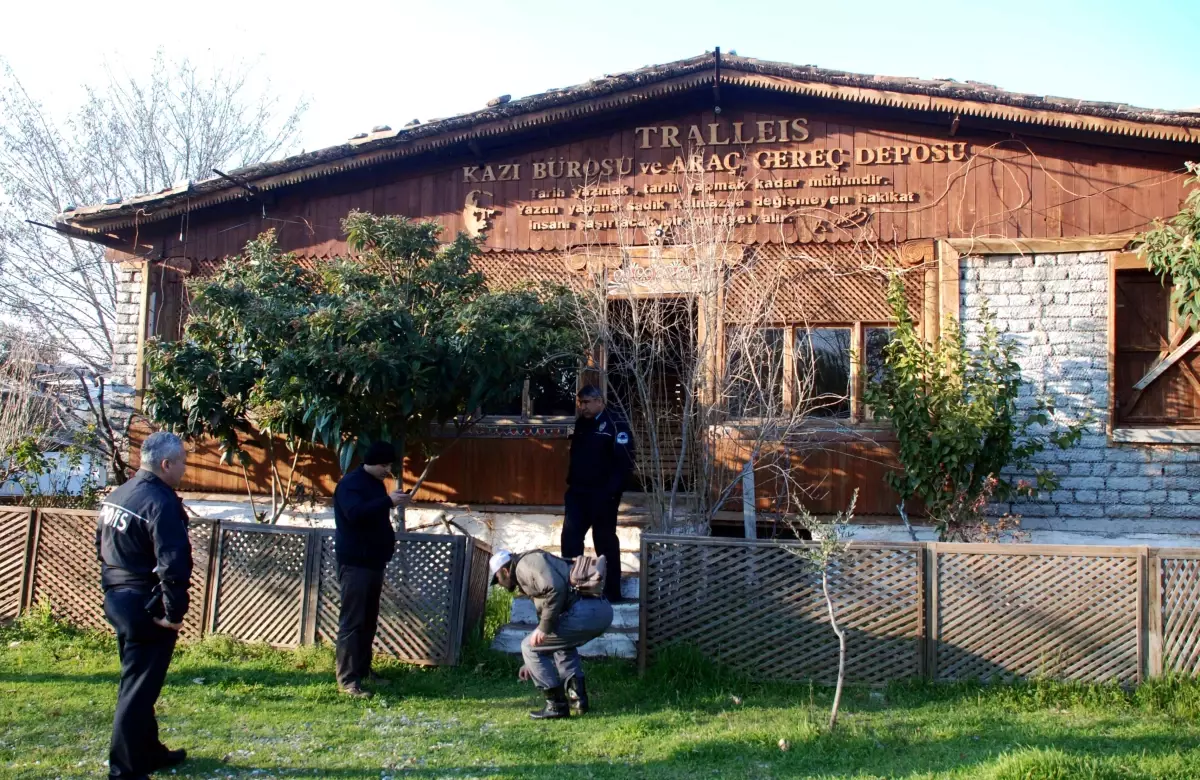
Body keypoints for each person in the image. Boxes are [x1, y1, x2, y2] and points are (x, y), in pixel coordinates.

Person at [96, 431, 193, 780]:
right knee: (137, 692)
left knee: (139, 682)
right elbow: (174, 562)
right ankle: (125, 771)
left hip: (118, 598)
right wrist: (172, 613)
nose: (185, 468)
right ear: (166, 464)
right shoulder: (161, 502)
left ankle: (149, 752)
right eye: (182, 461)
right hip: (145, 606)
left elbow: (101, 548)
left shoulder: (120, 493)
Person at [490, 548, 613, 719]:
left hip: (585, 612)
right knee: (562, 647)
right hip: (598, 609)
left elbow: (556, 589)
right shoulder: (529, 567)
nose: (499, 583)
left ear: (504, 570)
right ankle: (578, 702)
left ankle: (556, 706)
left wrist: (542, 630)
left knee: (528, 646)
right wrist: (531, 663)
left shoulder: (523, 566)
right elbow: (549, 612)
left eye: (497, 578)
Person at [332, 441, 410, 698]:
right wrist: (388, 501)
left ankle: (363, 670)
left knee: (367, 621)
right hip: (355, 562)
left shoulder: (374, 484)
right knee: (353, 622)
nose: (387, 470)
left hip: (373, 562)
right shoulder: (350, 484)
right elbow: (355, 513)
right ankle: (347, 680)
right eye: (385, 465)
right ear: (374, 462)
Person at [561, 384, 634, 603]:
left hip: (603, 495)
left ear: (599, 401)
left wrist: (611, 493)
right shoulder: (581, 424)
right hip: (578, 494)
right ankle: (575, 589)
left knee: (604, 542)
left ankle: (612, 592)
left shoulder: (615, 424)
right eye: (580, 403)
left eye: (586, 402)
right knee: (570, 540)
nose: (582, 407)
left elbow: (625, 464)